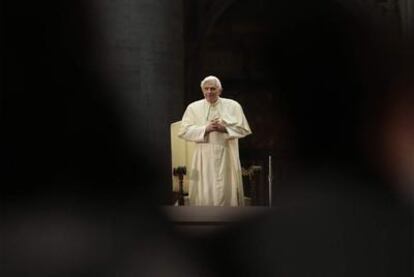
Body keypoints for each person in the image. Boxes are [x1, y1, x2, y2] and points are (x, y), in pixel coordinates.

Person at [178, 75, 252, 206]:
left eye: (213, 88)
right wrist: (205, 129)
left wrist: (225, 129)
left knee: (226, 190)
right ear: (202, 90)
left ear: (220, 90)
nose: (209, 92)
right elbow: (183, 131)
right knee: (205, 191)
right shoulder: (193, 108)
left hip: (227, 155)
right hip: (203, 156)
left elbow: (244, 129)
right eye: (206, 89)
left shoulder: (233, 106)